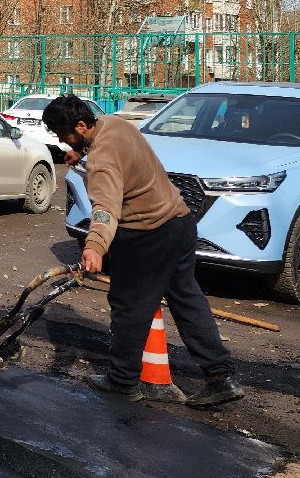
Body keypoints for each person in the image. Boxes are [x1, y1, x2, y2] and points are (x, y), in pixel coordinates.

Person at [42, 94, 243, 408]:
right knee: (187, 299)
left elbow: (106, 208)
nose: (60, 140)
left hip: (147, 234)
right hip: (180, 222)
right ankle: (220, 376)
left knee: (128, 306)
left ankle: (122, 380)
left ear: (81, 126)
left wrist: (94, 247)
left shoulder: (101, 162)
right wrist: (79, 152)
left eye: (62, 134)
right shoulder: (114, 124)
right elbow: (114, 153)